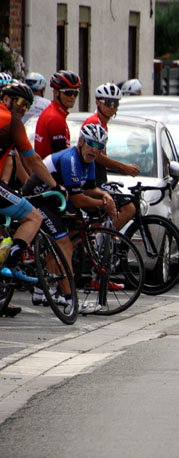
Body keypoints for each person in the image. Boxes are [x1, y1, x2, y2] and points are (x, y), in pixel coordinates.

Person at [23, 124, 117, 309]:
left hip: (56, 202)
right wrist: (103, 203)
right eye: (90, 143)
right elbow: (79, 199)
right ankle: (69, 298)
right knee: (64, 244)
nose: (94, 149)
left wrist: (105, 196)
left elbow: (90, 189)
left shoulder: (88, 161)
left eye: (99, 146)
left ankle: (43, 290)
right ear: (81, 141)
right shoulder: (70, 159)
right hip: (38, 201)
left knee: (72, 237)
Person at [0, 82, 67, 315]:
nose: (22, 108)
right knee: (34, 217)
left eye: (26, 105)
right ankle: (10, 264)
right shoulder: (13, 123)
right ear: (6, 98)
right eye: (18, 102)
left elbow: (11, 159)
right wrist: (54, 185)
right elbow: (33, 160)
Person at [81, 82, 139, 229]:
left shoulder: (102, 123)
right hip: (91, 179)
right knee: (129, 208)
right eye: (107, 102)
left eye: (115, 103)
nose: (112, 107)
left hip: (97, 177)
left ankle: (102, 242)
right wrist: (123, 168)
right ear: (97, 103)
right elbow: (96, 156)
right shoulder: (94, 123)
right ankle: (101, 238)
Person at [34, 70, 81, 160]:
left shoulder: (52, 112)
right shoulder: (55, 118)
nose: (72, 97)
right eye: (68, 93)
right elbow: (62, 158)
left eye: (75, 93)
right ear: (55, 92)